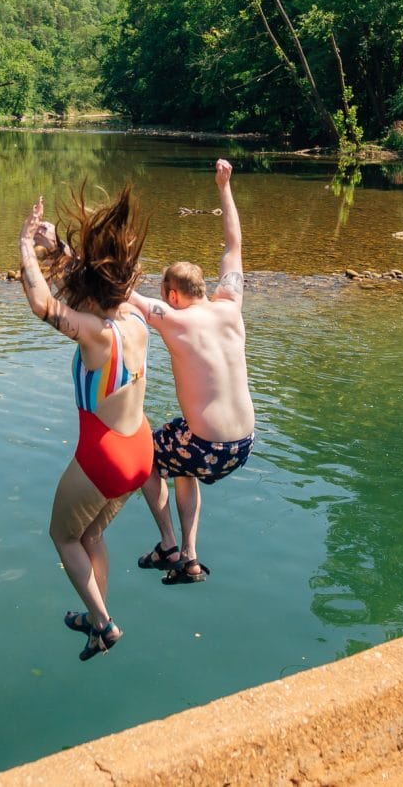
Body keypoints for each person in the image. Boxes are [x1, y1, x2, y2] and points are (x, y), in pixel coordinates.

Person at [16, 186, 152, 660]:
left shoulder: (95, 336)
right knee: (91, 534)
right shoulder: (134, 317)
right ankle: (98, 617)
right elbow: (99, 281)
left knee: (63, 535)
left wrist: (24, 249)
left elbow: (42, 305)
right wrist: (58, 247)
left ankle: (104, 624)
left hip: (107, 456)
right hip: (141, 449)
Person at [129, 159, 256, 585]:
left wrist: (61, 250)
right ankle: (190, 558)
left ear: (171, 294)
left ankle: (167, 543)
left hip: (208, 445)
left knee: (143, 454)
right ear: (203, 289)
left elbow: (120, 292)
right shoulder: (230, 306)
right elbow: (233, 245)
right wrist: (224, 187)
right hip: (243, 445)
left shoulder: (174, 319)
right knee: (180, 455)